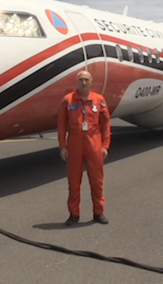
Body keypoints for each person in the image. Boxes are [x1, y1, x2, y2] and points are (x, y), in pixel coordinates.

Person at [58, 70, 111, 226]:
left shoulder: (99, 100)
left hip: (94, 142)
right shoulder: (68, 100)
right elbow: (61, 126)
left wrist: (105, 146)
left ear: (91, 82)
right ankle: (74, 214)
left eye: (86, 79)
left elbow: (106, 124)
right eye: (81, 79)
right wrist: (63, 147)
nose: (83, 82)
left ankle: (98, 212)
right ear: (77, 81)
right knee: (74, 181)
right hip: (74, 142)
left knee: (97, 180)